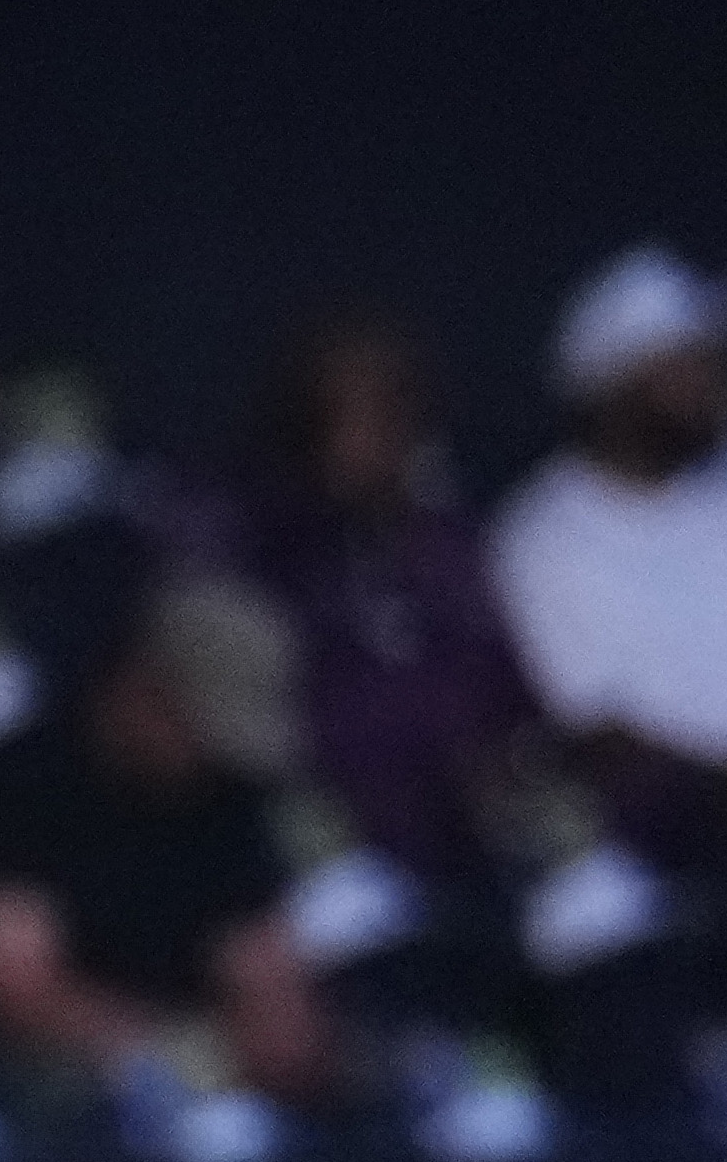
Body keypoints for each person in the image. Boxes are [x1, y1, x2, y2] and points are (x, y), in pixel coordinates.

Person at [0, 528, 334, 1110]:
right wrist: (186, 1051)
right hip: (40, 1103)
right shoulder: (15, 781)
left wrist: (281, 1036)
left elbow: (265, 971)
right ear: (145, 690)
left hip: (212, 1101)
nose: (215, 755)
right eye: (203, 729)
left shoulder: (229, 799)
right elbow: (14, 992)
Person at [486, 248, 727, 869]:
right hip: (654, 840)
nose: (716, 382)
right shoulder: (541, 535)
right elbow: (597, 734)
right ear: (616, 388)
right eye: (686, 366)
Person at [224, 310, 537, 902]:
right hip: (318, 846)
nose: (385, 428)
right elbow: (267, 717)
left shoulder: (448, 545)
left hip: (472, 839)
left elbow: (508, 685)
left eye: (397, 405)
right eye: (358, 405)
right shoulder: (255, 541)